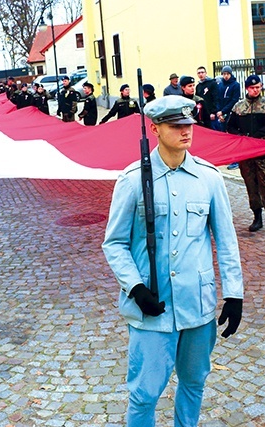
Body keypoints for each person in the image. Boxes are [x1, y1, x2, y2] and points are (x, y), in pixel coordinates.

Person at [102, 95, 244, 427]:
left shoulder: (208, 178)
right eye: (176, 126)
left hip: (197, 306)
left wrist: (234, 293)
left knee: (194, 384)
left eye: (188, 125)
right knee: (145, 394)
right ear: (155, 129)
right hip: (152, 306)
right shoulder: (134, 179)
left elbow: (226, 241)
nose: (185, 132)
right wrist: (136, 288)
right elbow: (115, 243)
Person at [226, 75, 265, 234]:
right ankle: (257, 217)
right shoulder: (238, 107)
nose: (256, 90)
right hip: (246, 154)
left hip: (263, 152)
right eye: (252, 88)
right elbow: (230, 126)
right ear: (247, 88)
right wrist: (242, 136)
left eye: (258, 87)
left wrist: (255, 137)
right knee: (251, 185)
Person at [215, 65, 241, 132]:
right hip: (220, 113)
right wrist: (219, 112)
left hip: (230, 112)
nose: (226, 76)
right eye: (224, 74)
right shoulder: (220, 85)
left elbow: (234, 100)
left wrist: (223, 111)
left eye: (228, 74)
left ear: (231, 74)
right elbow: (217, 99)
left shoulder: (235, 85)